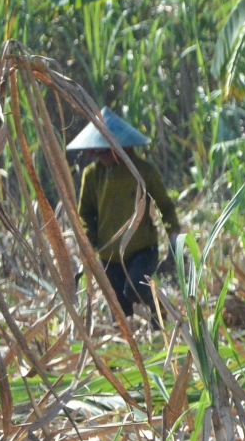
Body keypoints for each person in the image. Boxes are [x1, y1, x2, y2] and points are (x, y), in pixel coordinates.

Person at [70, 108, 180, 320]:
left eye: (102, 152)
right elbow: (85, 212)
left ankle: (162, 317)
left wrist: (173, 234)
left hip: (142, 249)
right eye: (96, 152)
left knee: (136, 289)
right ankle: (129, 346)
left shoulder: (143, 171)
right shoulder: (92, 175)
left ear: (121, 148)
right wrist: (89, 239)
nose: (98, 156)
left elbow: (165, 206)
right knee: (120, 310)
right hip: (108, 254)